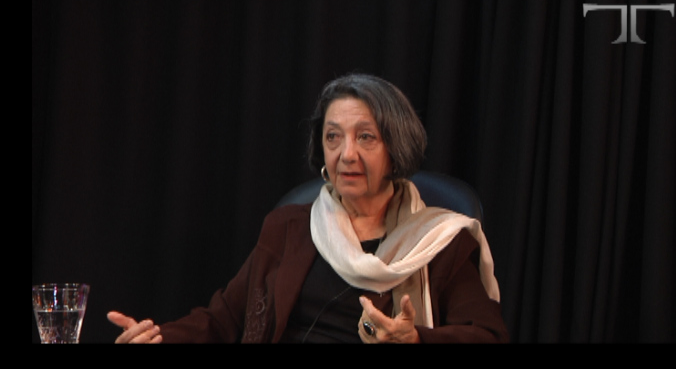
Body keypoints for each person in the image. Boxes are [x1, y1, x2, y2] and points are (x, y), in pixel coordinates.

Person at [108, 73, 509, 343]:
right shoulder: (289, 226)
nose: (346, 154)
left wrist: (416, 338)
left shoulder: (440, 242)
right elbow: (223, 319)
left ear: (396, 150)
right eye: (333, 137)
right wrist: (158, 337)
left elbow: (488, 335)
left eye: (365, 137)